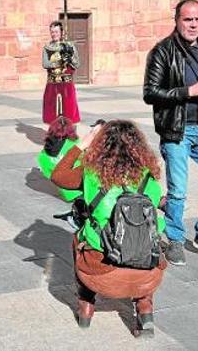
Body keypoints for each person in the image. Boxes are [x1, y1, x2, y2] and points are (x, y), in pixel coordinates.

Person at [51, 120, 166, 336]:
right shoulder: (148, 175)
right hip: (148, 277)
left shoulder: (89, 173)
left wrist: (80, 145)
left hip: (100, 276)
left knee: (79, 239)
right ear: (138, 147)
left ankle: (86, 306)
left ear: (100, 144)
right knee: (146, 244)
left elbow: (58, 176)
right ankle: (145, 308)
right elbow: (159, 203)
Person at [143, 0, 198, 266]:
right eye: (188, 19)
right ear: (177, 20)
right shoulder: (162, 51)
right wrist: (189, 92)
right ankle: (174, 239)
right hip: (176, 130)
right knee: (178, 191)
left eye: (197, 19)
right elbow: (150, 93)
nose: (193, 24)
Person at [41, 21, 81, 125]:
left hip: (66, 83)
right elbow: (45, 64)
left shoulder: (69, 46)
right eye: (52, 32)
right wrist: (60, 61)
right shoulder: (47, 48)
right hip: (52, 83)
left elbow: (77, 64)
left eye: (56, 31)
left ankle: (69, 134)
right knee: (52, 111)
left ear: (61, 32)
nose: (54, 34)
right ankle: (54, 134)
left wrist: (70, 57)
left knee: (69, 110)